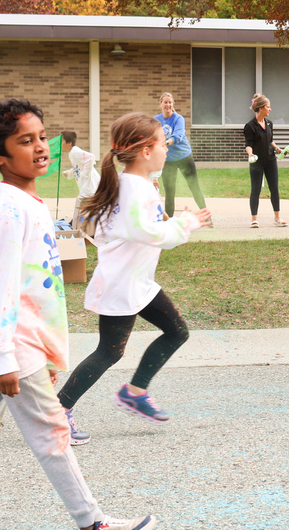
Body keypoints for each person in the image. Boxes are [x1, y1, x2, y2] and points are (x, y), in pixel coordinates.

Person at [0, 99, 157, 530]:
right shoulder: (10, 211)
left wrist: (47, 354)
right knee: (53, 436)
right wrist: (3, 358)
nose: (40, 147)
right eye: (24, 141)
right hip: (11, 344)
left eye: (40, 137)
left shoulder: (26, 201)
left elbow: (37, 289)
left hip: (19, 343)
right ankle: (93, 522)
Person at [56, 113, 210, 442]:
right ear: (144, 151)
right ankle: (58, 412)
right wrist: (188, 222)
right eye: (161, 144)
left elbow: (142, 229)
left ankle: (134, 392)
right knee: (109, 352)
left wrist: (171, 219)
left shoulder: (133, 185)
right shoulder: (135, 190)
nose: (167, 149)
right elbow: (156, 236)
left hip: (136, 282)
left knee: (177, 331)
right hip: (121, 285)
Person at [155, 92, 207, 218]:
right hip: (168, 160)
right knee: (169, 192)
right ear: (160, 104)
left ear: (173, 104)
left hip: (184, 157)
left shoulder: (178, 119)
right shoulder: (156, 120)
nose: (168, 104)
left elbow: (177, 136)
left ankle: (207, 217)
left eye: (170, 102)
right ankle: (170, 223)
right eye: (165, 102)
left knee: (194, 187)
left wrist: (164, 142)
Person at [244, 93, 286, 227]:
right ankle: (254, 219)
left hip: (270, 160)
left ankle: (277, 218)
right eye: (268, 107)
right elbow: (248, 144)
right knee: (255, 189)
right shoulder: (250, 126)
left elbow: (270, 140)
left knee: (274, 188)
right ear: (261, 108)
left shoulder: (269, 123)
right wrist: (250, 154)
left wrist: (277, 149)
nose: (270, 109)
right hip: (257, 162)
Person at [61, 130, 101, 233]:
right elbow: (78, 167)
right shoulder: (72, 153)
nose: (61, 143)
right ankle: (89, 229)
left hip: (89, 186)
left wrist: (86, 174)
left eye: (62, 141)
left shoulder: (74, 151)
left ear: (69, 143)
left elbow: (91, 157)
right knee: (90, 209)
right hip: (87, 186)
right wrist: (69, 173)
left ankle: (75, 229)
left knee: (80, 207)